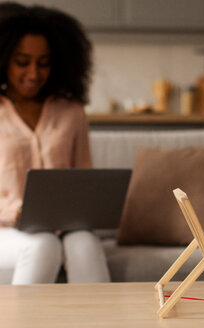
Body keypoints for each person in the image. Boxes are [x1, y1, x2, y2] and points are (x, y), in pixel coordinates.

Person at [0, 3, 110, 284]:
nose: (34, 73)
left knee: (84, 243)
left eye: (44, 62)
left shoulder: (71, 112)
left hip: (66, 226)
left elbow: (84, 179)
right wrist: (14, 210)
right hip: (7, 229)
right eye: (22, 62)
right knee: (42, 244)